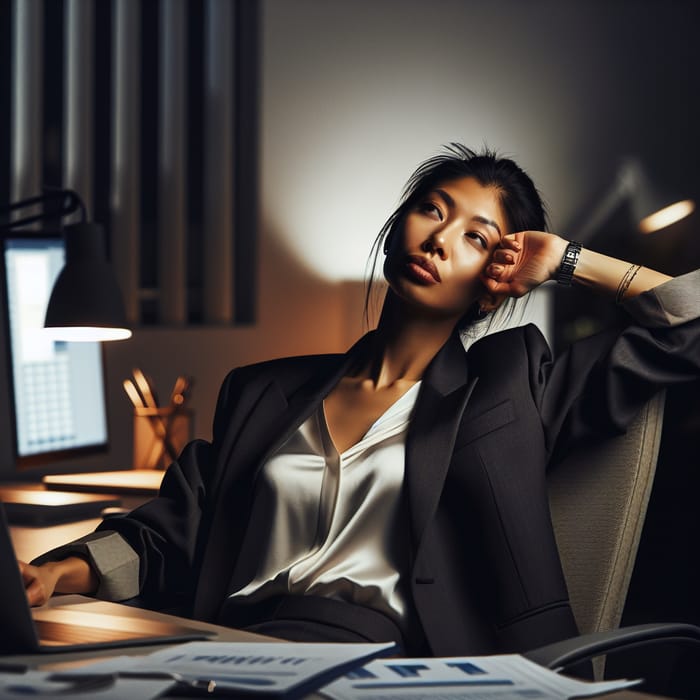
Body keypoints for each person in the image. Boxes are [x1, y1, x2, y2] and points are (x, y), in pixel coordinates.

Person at [19, 144, 700, 658]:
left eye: (475, 236)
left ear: (497, 279)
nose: (438, 238)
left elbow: (689, 330)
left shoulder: (513, 383)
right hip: (238, 652)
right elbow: (172, 533)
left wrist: (573, 261)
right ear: (399, 222)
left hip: (398, 666)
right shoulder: (263, 391)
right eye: (432, 209)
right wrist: (55, 573)